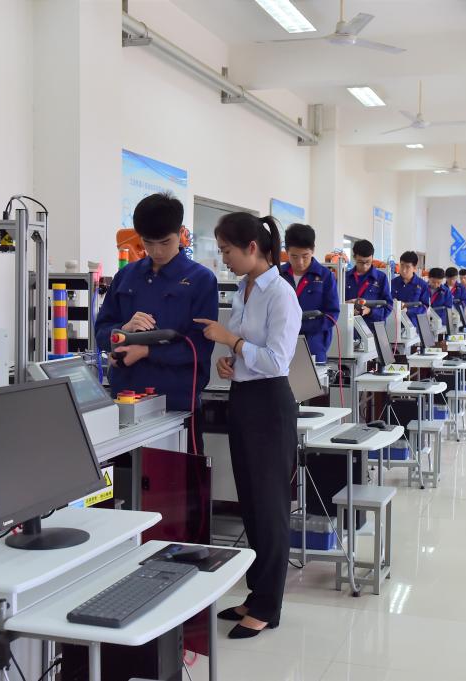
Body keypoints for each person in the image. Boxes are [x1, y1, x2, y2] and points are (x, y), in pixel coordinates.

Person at [193, 213, 301, 640]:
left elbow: (276, 361)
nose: (224, 259)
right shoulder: (244, 289)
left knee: (270, 507)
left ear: (252, 248)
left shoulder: (281, 295)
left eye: (227, 251)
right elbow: (245, 349)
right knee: (251, 504)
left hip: (270, 405)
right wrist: (229, 361)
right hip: (243, 399)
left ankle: (269, 606)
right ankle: (255, 594)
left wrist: (231, 341)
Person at [95, 193, 217, 452]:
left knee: (178, 476)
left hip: (177, 407)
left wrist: (146, 351)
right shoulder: (126, 277)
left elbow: (199, 347)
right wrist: (121, 331)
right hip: (126, 404)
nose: (157, 251)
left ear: (181, 234)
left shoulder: (200, 280)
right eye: (148, 243)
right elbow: (101, 332)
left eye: (165, 242)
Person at [280, 223, 340, 363]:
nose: (300, 262)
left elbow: (332, 315)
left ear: (313, 250)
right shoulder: (278, 275)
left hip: (314, 346)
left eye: (305, 256)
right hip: (281, 345)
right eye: (294, 256)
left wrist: (299, 326)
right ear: (286, 251)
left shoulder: (325, 276)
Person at [345, 239, 392, 324]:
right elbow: (335, 305)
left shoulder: (381, 278)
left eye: (368, 262)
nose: (364, 266)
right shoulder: (345, 277)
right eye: (360, 262)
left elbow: (388, 306)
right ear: (354, 257)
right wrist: (347, 307)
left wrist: (370, 311)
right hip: (348, 326)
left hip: (373, 328)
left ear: (372, 257)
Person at [392, 251, 430, 325]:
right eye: (402, 265)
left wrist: (408, 310)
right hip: (394, 324)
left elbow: (425, 307)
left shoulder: (422, 285)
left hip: (414, 324)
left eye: (408, 267)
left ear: (414, 268)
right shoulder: (392, 283)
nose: (404, 270)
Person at [427, 267, 452, 334]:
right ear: (428, 278)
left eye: (438, 282)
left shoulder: (446, 291)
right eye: (433, 282)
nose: (436, 285)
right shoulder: (422, 288)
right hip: (424, 320)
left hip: (440, 322)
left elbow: (448, 308)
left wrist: (438, 319)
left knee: (439, 338)